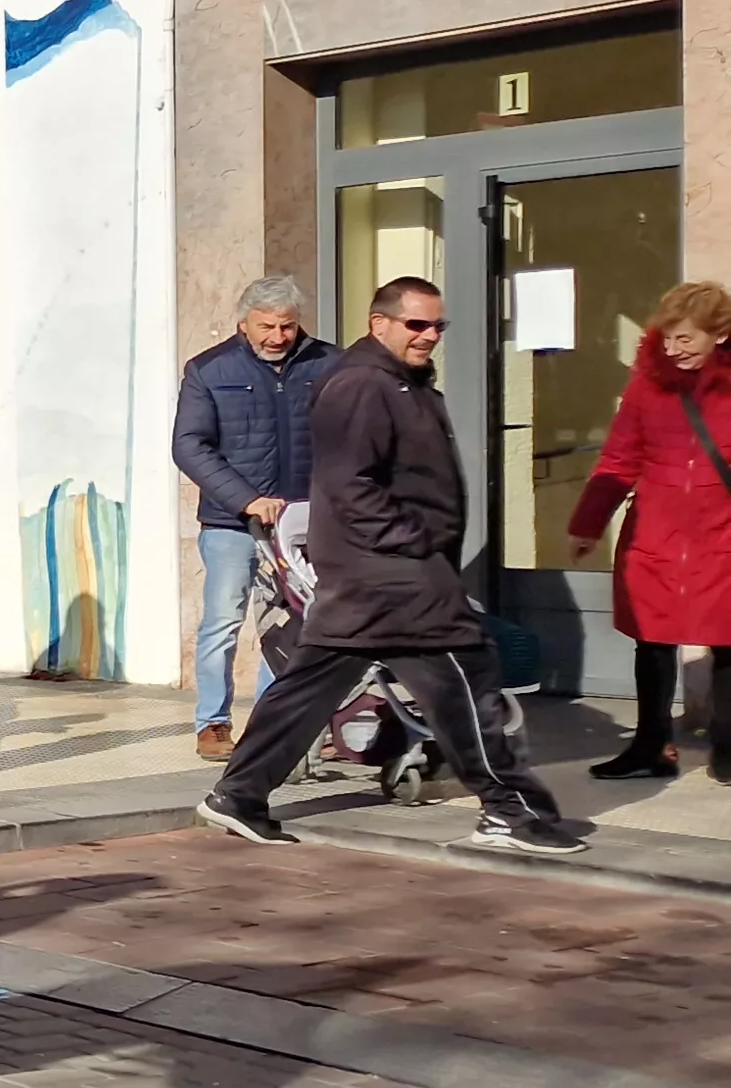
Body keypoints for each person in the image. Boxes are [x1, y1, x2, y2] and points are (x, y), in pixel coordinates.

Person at [200, 278, 581, 856]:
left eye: (437, 326)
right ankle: (510, 810)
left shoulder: (402, 382)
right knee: (465, 681)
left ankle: (237, 794)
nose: (429, 336)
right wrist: (416, 544)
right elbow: (350, 485)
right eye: (416, 324)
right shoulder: (362, 384)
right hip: (393, 576)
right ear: (379, 323)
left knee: (307, 689)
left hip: (370, 579)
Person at [568, 280, 731, 782]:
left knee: (727, 640)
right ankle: (651, 748)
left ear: (720, 335)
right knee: (653, 642)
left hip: (723, 536)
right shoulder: (647, 387)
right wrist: (588, 523)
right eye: (667, 338)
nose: (673, 350)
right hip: (655, 538)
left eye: (686, 339)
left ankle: (729, 746)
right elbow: (618, 459)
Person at [171, 275, 340, 760]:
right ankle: (212, 723)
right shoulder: (209, 369)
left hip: (305, 524)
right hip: (232, 524)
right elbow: (189, 446)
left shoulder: (330, 364)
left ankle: (273, 721)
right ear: (243, 323)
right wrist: (247, 500)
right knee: (224, 621)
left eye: (287, 326)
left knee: (296, 624)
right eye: (266, 326)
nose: (277, 336)